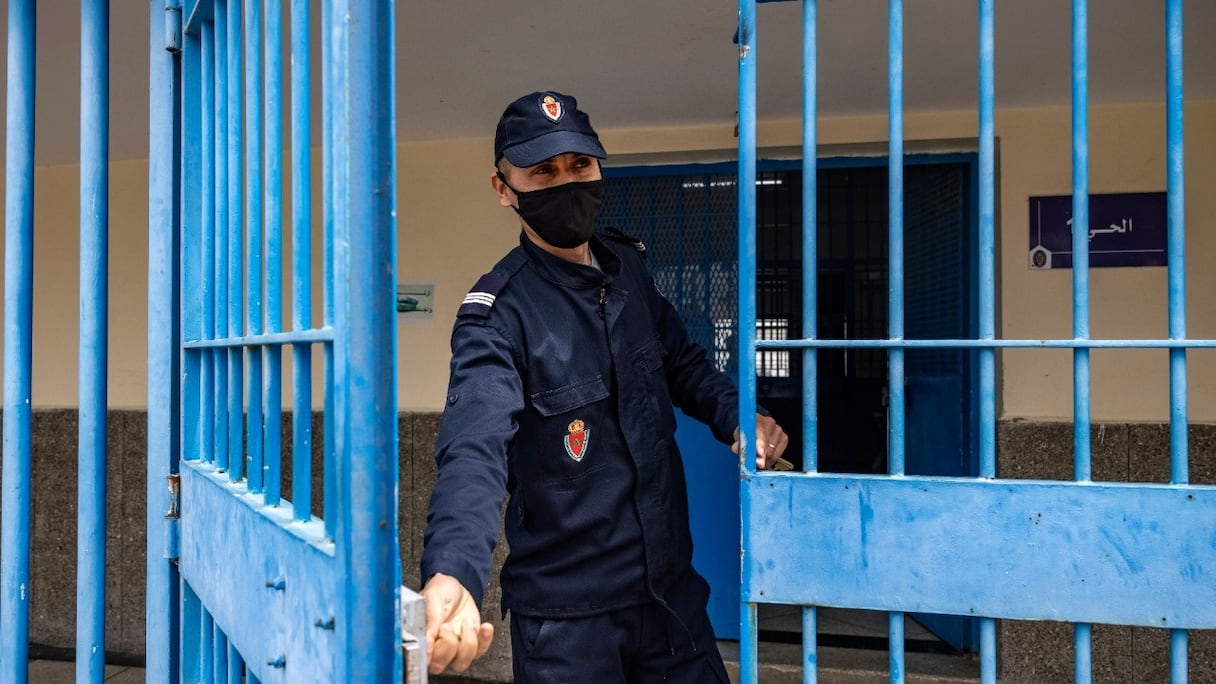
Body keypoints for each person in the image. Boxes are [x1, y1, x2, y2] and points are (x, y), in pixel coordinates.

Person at [419, 90, 789, 682]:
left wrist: (740, 415)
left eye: (579, 165)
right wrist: (452, 573)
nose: (567, 182)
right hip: (569, 626)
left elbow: (685, 365)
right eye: (543, 171)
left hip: (672, 602)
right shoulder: (498, 316)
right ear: (502, 189)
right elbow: (474, 451)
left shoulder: (627, 272)